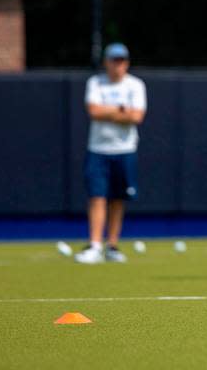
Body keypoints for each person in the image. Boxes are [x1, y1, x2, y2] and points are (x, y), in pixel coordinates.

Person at [75, 43, 147, 264]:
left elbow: (137, 116)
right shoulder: (95, 83)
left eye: (122, 60)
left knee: (118, 198)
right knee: (97, 196)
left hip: (125, 149)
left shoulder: (135, 85)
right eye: (114, 60)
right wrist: (121, 110)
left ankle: (112, 245)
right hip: (98, 149)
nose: (118, 65)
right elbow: (94, 111)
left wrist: (111, 111)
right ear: (106, 62)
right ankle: (95, 245)